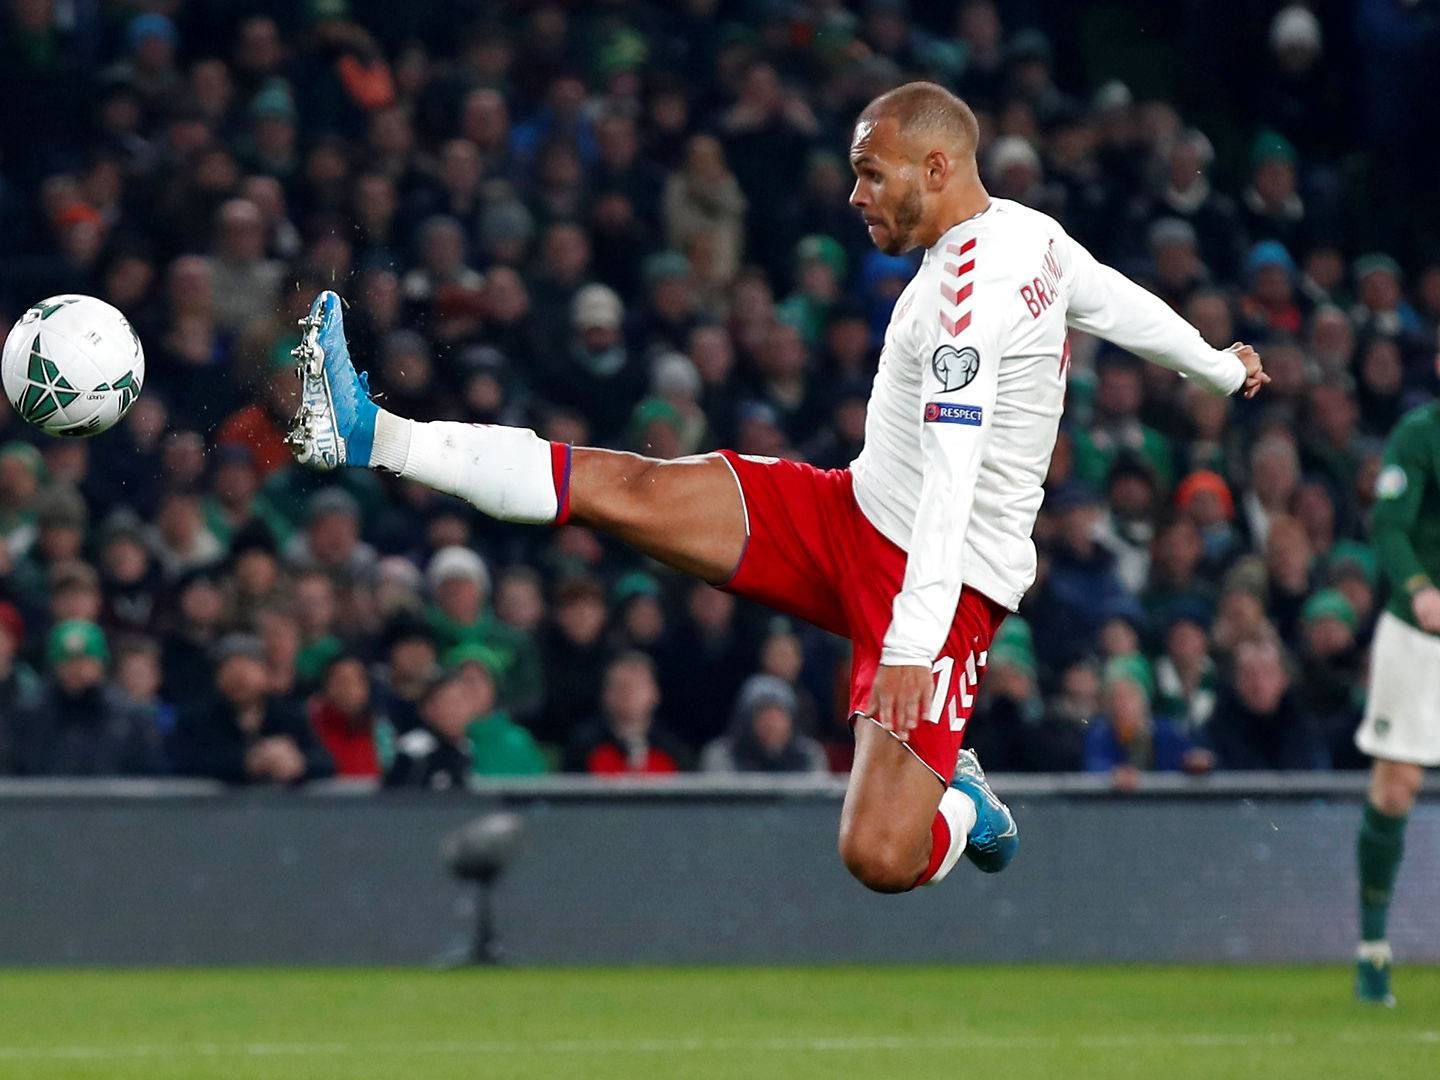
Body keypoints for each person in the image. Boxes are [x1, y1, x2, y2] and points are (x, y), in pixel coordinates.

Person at [287, 81, 1267, 894]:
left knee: (878, 856)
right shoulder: (1029, 240)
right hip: (841, 510)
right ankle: (371, 433)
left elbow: (953, 485)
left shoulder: (969, 305)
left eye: (869, 175)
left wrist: (913, 650)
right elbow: (1109, 294)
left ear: (937, 169)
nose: (855, 197)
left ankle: (963, 801)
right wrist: (1216, 365)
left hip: (939, 581)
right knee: (627, 488)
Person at [1349, 373, 1440, 1006]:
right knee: (1396, 787)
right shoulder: (1419, 434)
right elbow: (1388, 526)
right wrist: (1418, 588)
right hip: (1418, 634)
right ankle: (1374, 949)